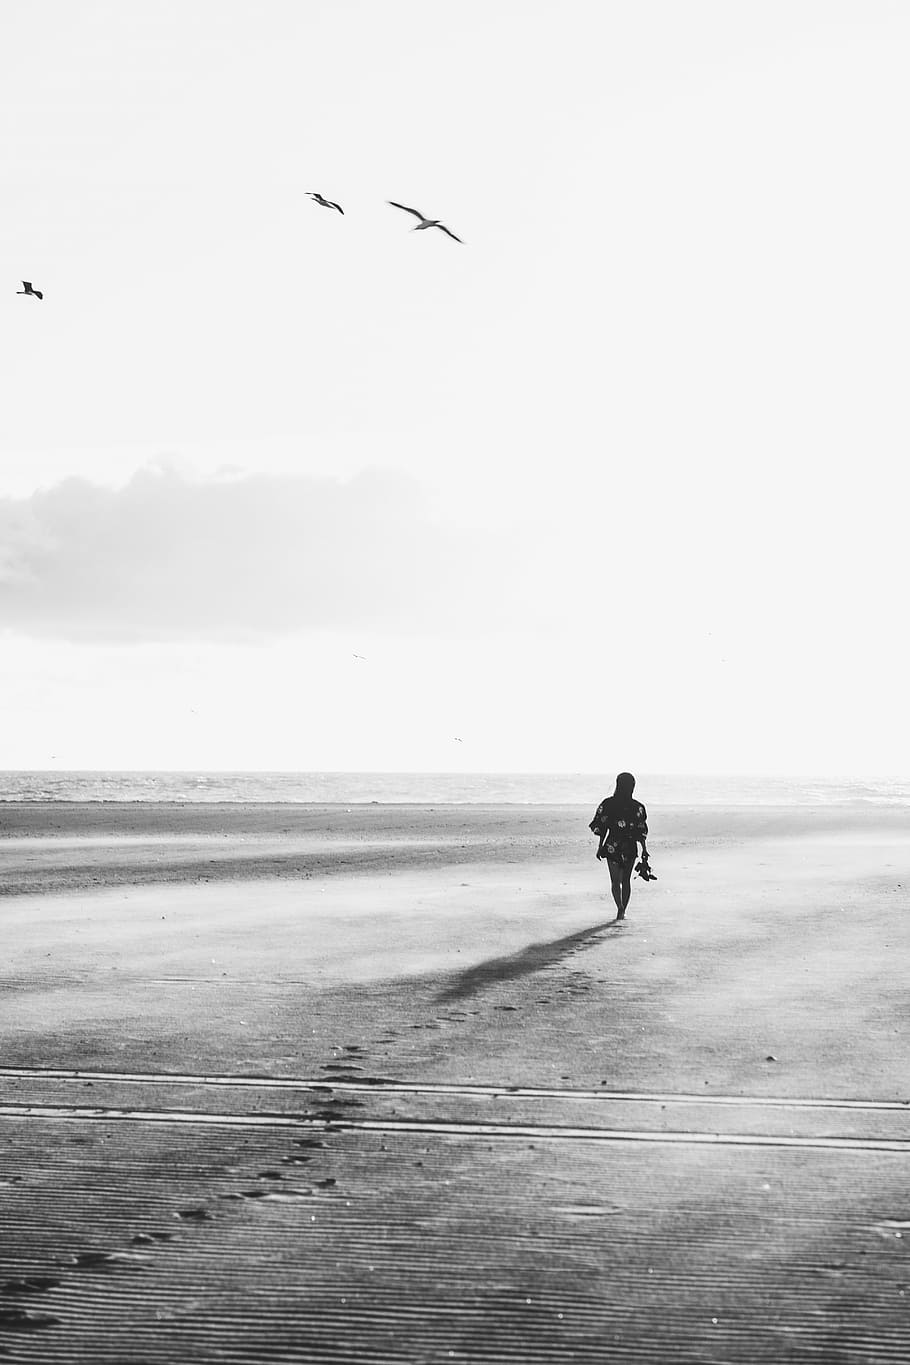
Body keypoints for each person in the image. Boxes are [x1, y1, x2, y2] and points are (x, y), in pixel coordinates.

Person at [590, 772, 649, 921]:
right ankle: (623, 910)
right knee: (626, 881)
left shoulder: (608, 804)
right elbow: (640, 830)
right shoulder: (638, 807)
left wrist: (600, 846)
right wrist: (644, 849)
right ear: (632, 787)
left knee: (615, 881)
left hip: (612, 845)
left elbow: (602, 827)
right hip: (630, 846)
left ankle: (620, 908)